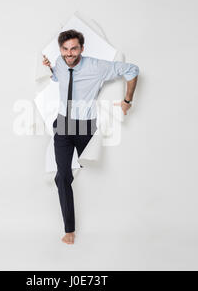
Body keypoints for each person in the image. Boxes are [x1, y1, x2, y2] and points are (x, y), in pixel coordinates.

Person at [42, 29, 139, 245]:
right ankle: (69, 229)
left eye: (74, 48)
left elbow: (132, 70)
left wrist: (127, 100)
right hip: (63, 124)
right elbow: (58, 76)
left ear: (82, 49)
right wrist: (49, 68)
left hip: (86, 127)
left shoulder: (96, 67)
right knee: (63, 177)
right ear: (61, 50)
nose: (69, 54)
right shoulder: (59, 61)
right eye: (65, 49)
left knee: (91, 170)